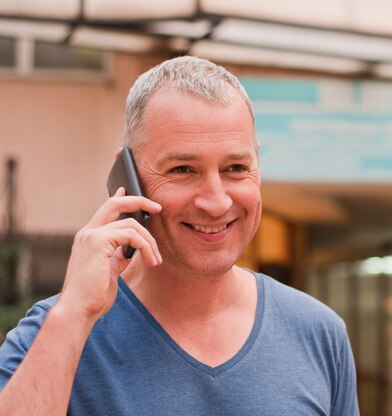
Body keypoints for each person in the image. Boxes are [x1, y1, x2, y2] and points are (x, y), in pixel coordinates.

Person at [0, 56, 359, 415]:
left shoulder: (318, 333)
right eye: (183, 169)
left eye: (236, 167)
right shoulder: (58, 330)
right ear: (128, 176)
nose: (216, 202)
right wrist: (74, 315)